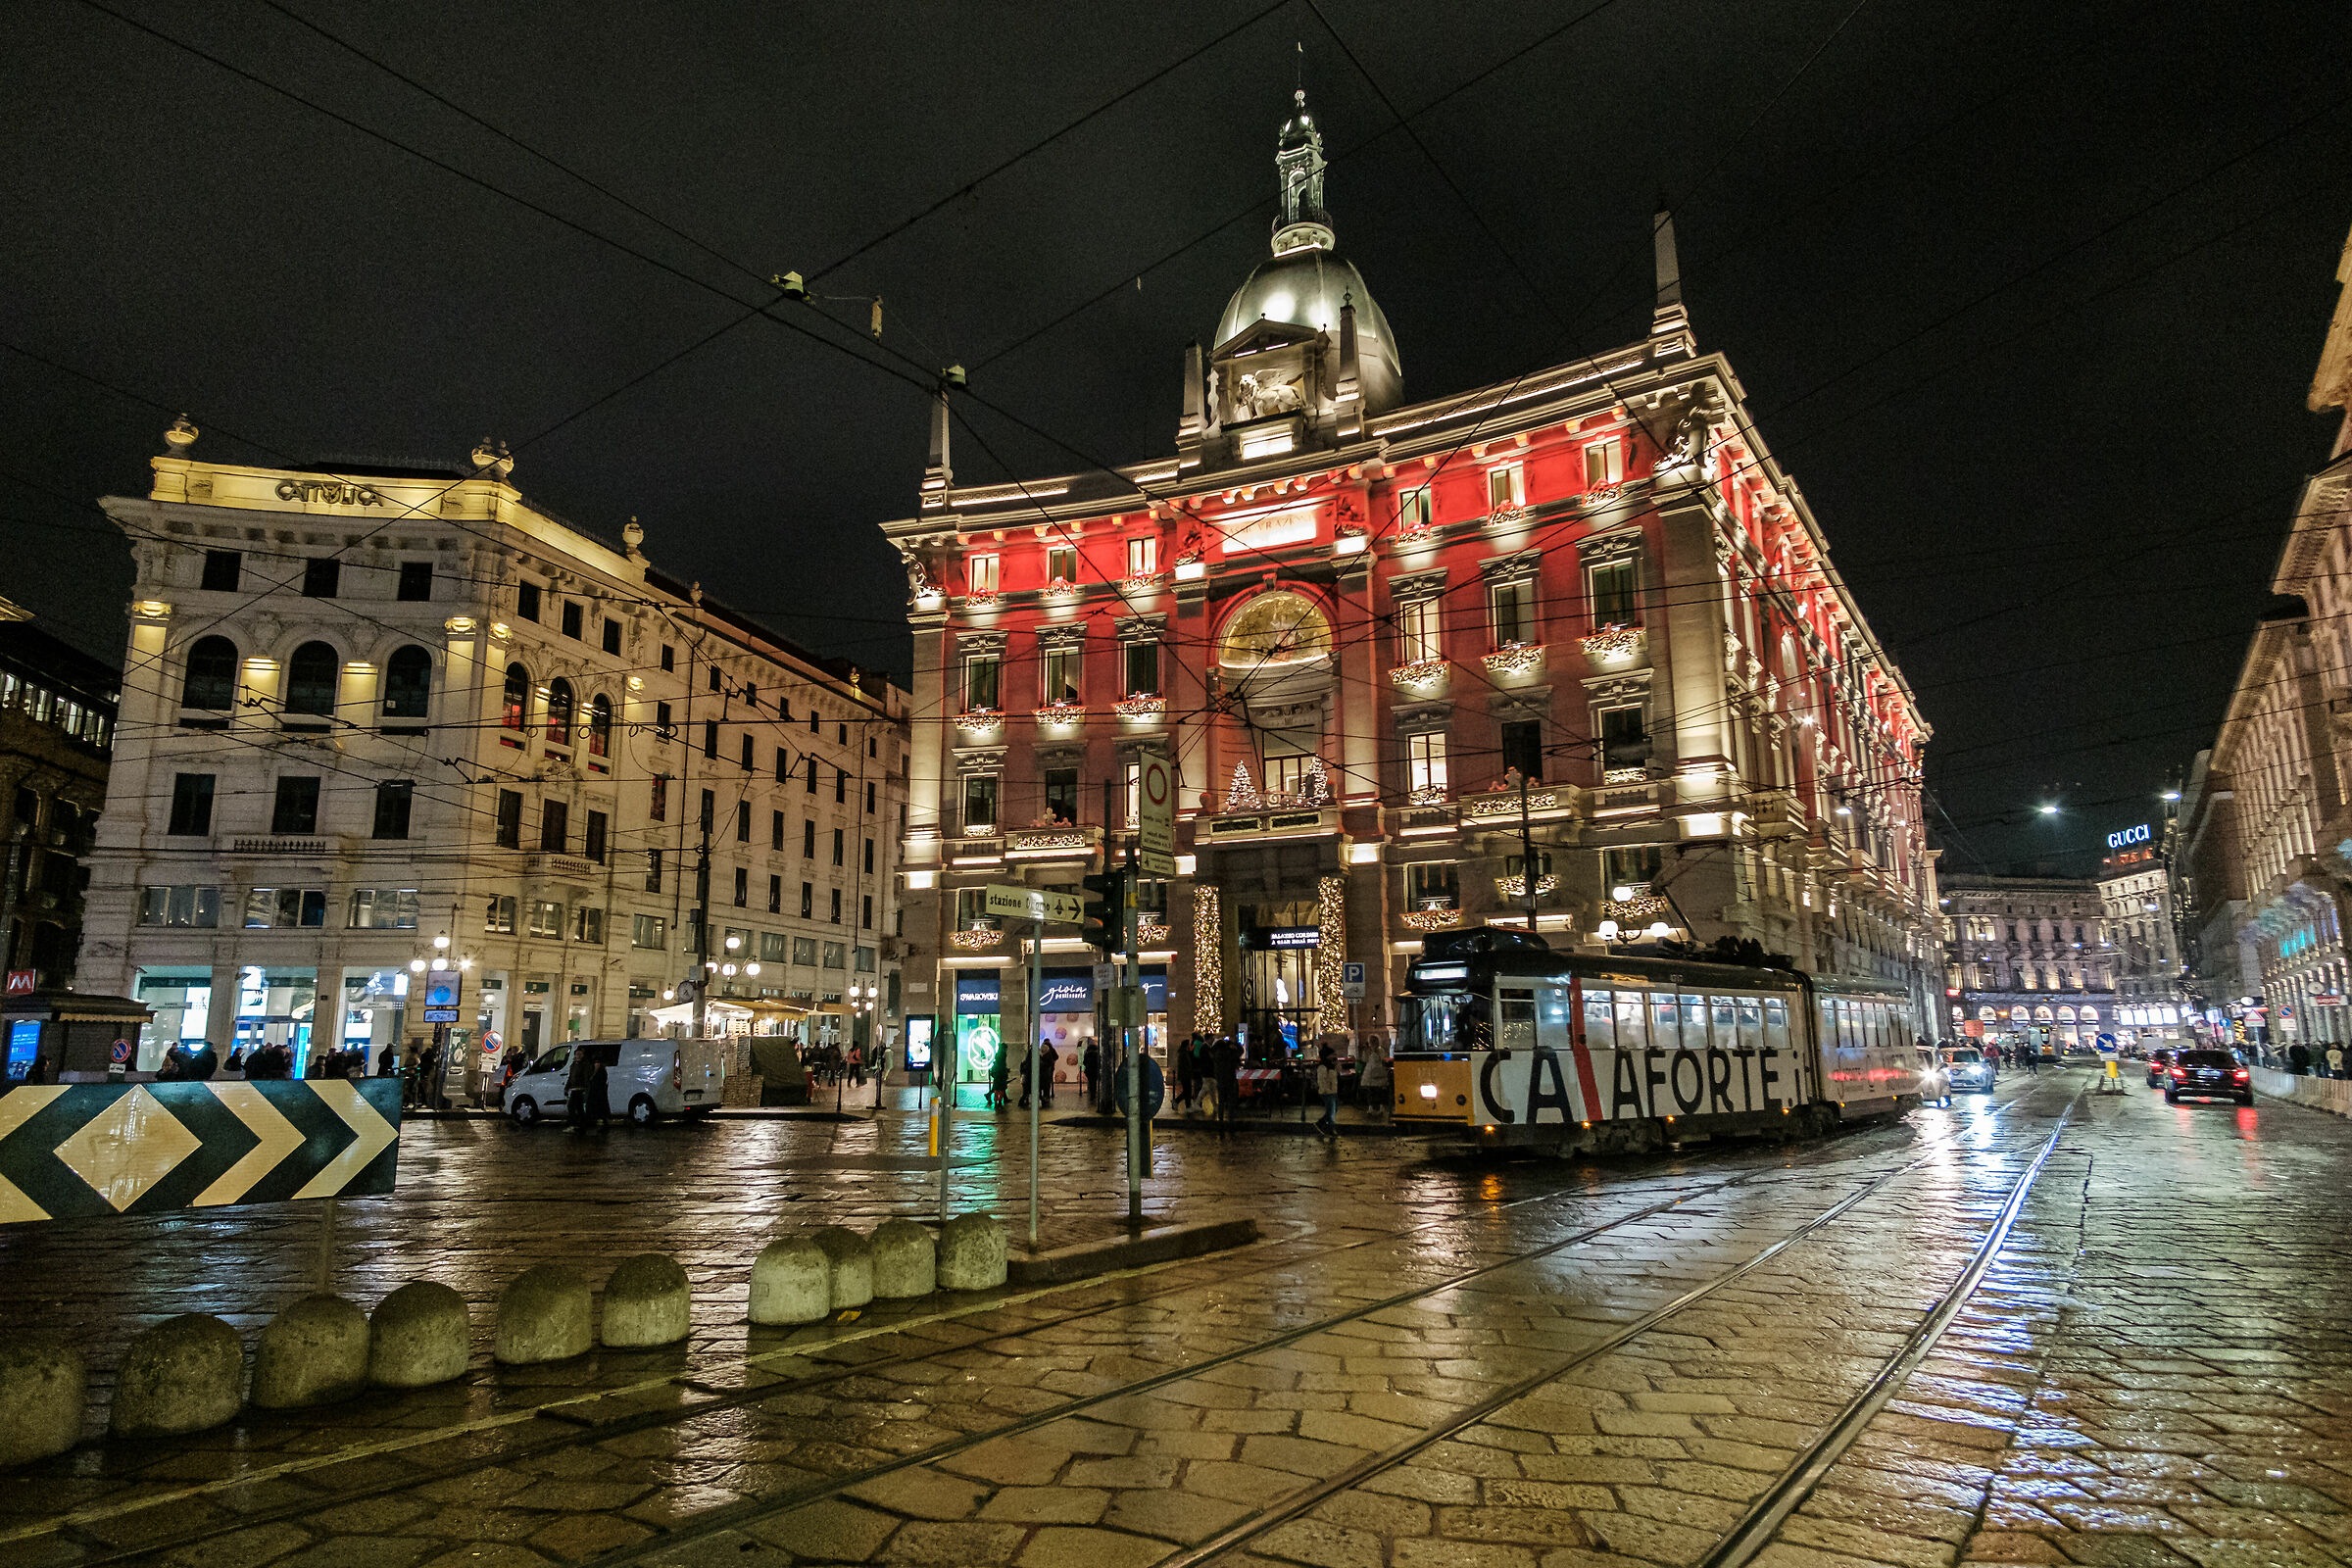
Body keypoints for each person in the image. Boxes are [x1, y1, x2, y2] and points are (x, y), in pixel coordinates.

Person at [1212, 1035, 1242, 1135]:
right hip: (1230, 1079)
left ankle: (1221, 1120)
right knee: (1230, 1101)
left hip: (1220, 1080)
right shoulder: (1230, 1054)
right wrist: (1234, 1043)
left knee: (1221, 1101)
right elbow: (1240, 1051)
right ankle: (1230, 1120)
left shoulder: (1216, 1055)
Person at [1357, 1036, 1390, 1120]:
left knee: (1377, 1092)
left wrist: (1373, 1051)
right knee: (1371, 1092)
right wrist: (1366, 1051)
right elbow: (1364, 1059)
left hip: (1377, 1074)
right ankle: (1372, 1108)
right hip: (1371, 1075)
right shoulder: (1369, 1051)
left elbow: (1380, 1058)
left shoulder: (1380, 1050)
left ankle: (1379, 1108)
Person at [1313, 1044, 1341, 1136]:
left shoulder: (1332, 1066)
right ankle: (1331, 1129)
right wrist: (1326, 1090)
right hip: (1327, 1092)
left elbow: (1338, 1073)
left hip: (1333, 1090)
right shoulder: (1322, 1067)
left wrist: (1336, 1064)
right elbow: (1322, 1080)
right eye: (1332, 1055)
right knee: (1331, 1111)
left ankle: (1320, 1123)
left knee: (1333, 1109)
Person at [566, 1045, 595, 1130]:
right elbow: (570, 1077)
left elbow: (587, 1076)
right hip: (574, 1088)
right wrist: (567, 1087)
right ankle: (582, 1124)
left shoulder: (585, 1065)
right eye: (577, 1054)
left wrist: (586, 1088)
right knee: (579, 1108)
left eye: (580, 1054)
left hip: (580, 1089)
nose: (578, 1056)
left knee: (572, 1106)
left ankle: (574, 1124)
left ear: (583, 1055)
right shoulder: (573, 1065)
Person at [1039, 1039, 1059, 1107]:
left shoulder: (1041, 1049)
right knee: (1048, 1082)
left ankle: (1043, 1096)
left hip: (1042, 1069)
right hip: (1049, 1068)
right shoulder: (1051, 1049)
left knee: (1043, 1082)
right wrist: (1053, 1062)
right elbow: (1056, 1056)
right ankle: (1047, 1096)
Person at [1082, 1039, 1101, 1107]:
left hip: (1089, 1070)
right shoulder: (1097, 1054)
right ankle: (1093, 1093)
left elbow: (1084, 1062)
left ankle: (1091, 1093)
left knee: (1090, 1081)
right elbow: (1099, 1062)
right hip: (1095, 1070)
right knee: (1094, 1082)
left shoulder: (1087, 1054)